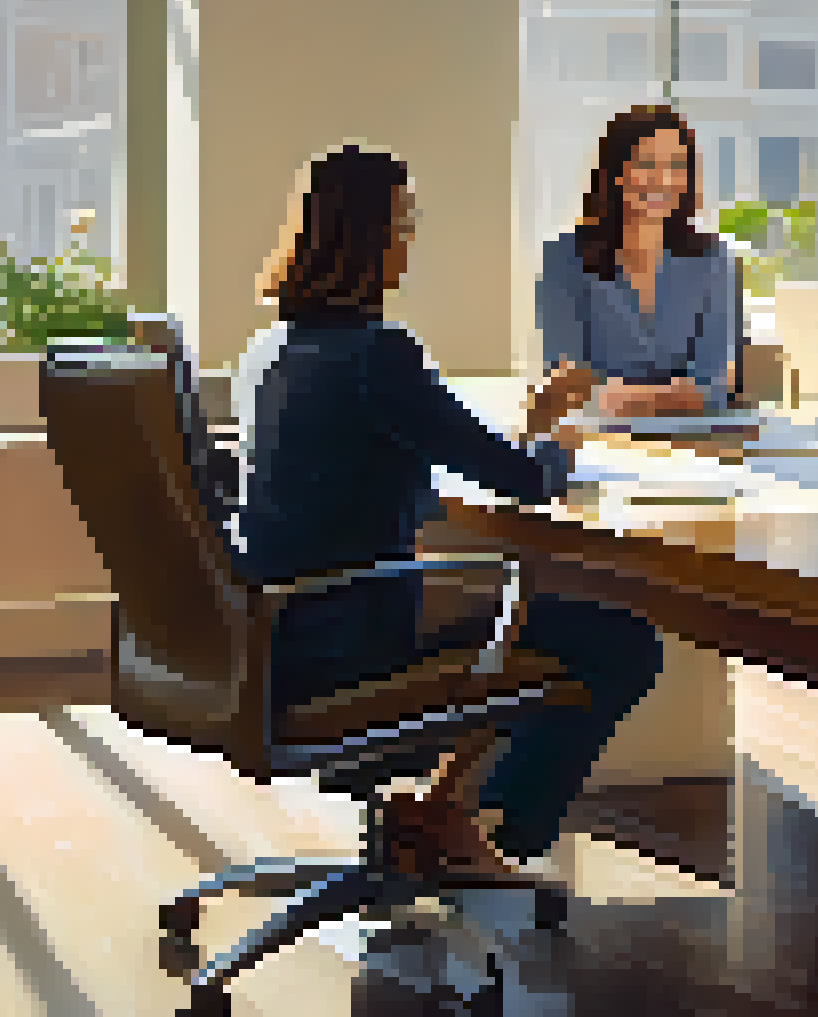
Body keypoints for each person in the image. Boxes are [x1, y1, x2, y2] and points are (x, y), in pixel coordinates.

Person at [233, 144, 665, 874]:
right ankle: (487, 831)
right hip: (353, 644)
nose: (409, 239)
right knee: (620, 642)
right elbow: (527, 482)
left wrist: (525, 439)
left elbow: (361, 475)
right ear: (370, 237)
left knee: (535, 619)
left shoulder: (270, 349)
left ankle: (440, 815)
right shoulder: (379, 355)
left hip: (277, 637)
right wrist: (558, 441)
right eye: (403, 221)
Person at [536, 104, 741, 419]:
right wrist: (673, 396)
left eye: (676, 165)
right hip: (595, 439)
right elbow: (566, 381)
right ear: (616, 172)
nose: (663, 179)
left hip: (692, 438)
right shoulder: (563, 258)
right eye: (647, 163)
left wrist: (613, 396)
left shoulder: (712, 259)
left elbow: (711, 386)